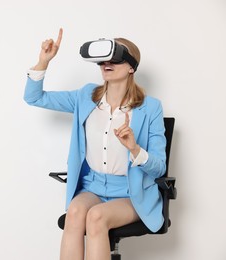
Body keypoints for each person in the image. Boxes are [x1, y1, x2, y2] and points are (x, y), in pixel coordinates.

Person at [23, 28, 167, 260]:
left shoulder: (150, 108)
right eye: (102, 60)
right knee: (76, 212)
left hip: (131, 192)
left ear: (131, 66)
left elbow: (159, 168)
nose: (106, 64)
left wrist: (134, 148)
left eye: (115, 58)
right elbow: (34, 98)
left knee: (96, 217)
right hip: (93, 187)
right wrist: (44, 61)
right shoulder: (86, 96)